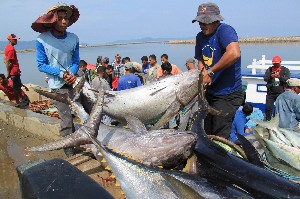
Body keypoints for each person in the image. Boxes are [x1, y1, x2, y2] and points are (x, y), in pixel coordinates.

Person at [31, 3, 80, 156]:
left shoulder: (74, 38)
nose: (64, 22)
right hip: (57, 85)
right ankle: (69, 150)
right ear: (52, 20)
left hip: (73, 82)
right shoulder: (42, 40)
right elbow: (41, 65)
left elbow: (76, 61)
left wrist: (71, 73)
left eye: (66, 18)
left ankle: (78, 141)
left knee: (81, 113)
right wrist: (61, 73)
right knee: (66, 117)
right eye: (60, 19)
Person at [193, 2, 244, 139]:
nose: (202, 25)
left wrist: (211, 72)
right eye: (200, 22)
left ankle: (223, 158)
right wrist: (203, 75)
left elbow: (234, 53)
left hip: (228, 94)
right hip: (211, 93)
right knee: (206, 132)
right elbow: (200, 60)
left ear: (216, 20)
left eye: (206, 22)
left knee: (220, 134)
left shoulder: (225, 31)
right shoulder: (200, 37)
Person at [264, 56, 290, 121]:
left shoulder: (285, 70)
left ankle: (279, 121)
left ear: (280, 62)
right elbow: (265, 79)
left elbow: (287, 79)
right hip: (271, 93)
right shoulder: (269, 70)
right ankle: (268, 120)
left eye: (277, 63)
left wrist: (279, 77)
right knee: (268, 107)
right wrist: (271, 76)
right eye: (274, 63)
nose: (275, 64)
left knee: (280, 108)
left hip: (281, 92)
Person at [4, 34, 23, 106]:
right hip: (13, 72)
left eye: (16, 39)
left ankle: (19, 101)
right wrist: (8, 73)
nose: (16, 40)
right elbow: (9, 62)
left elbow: (5, 60)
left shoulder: (7, 48)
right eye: (14, 39)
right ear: (10, 40)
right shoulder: (11, 49)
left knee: (17, 86)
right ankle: (18, 102)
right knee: (16, 87)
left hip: (15, 71)